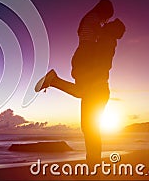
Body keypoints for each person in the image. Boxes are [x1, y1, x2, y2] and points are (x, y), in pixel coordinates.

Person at [35, 18, 126, 164]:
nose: (105, 24)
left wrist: (82, 74)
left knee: (91, 130)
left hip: (97, 88)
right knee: (90, 130)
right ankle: (92, 167)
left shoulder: (106, 42)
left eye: (108, 25)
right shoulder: (105, 40)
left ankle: (92, 168)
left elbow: (101, 64)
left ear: (111, 30)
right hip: (98, 88)